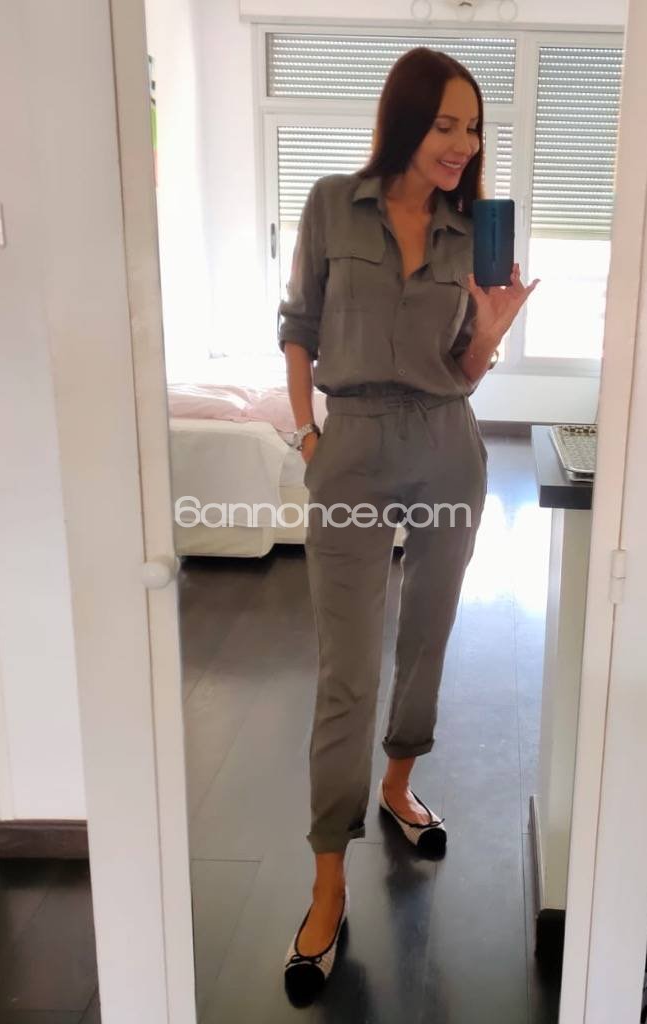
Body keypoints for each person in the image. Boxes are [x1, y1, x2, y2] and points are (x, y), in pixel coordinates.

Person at [278, 46, 539, 1005]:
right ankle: (328, 879)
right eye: (445, 124)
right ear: (404, 121)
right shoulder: (329, 204)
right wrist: (308, 433)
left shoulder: (470, 232)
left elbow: (460, 371)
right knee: (346, 670)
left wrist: (490, 333)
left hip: (443, 443)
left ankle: (397, 785)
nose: (462, 144)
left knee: (425, 637)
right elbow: (298, 323)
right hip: (348, 446)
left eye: (472, 129)